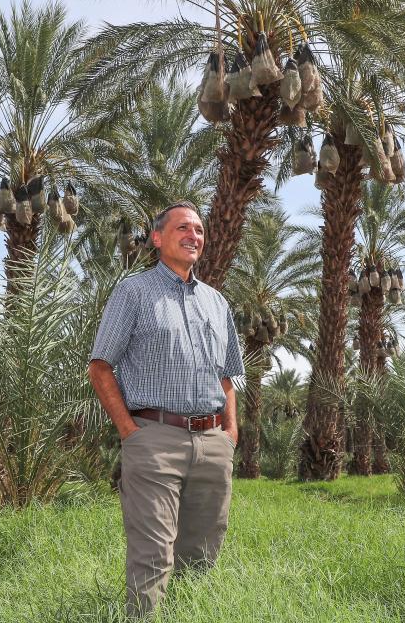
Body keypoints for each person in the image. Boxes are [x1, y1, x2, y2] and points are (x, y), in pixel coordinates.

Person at [88, 201, 244, 619]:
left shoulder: (217, 302)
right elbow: (100, 366)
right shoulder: (133, 292)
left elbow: (228, 376)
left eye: (199, 229)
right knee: (153, 553)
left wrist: (229, 435)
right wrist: (130, 431)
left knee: (203, 551)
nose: (194, 235)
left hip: (212, 444)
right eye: (183, 228)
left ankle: (188, 614)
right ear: (157, 238)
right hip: (154, 440)